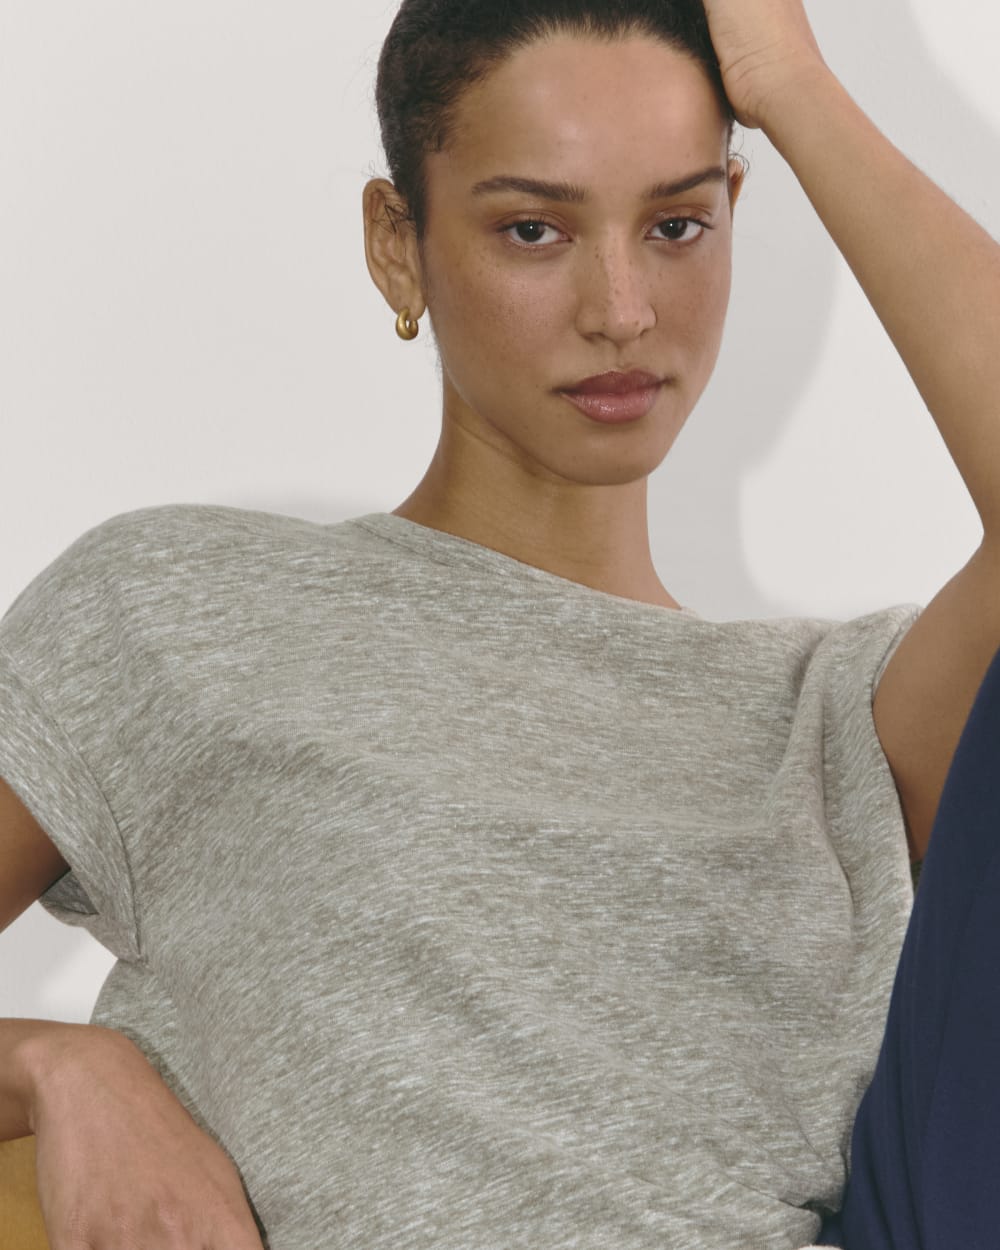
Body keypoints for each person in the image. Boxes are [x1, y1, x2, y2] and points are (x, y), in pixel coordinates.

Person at [1, 0, 998, 1246]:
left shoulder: (834, 712)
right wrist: (57, 1067)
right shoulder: (177, 608)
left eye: (676, 225)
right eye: (534, 229)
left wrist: (792, 84)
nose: (622, 308)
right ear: (398, 244)